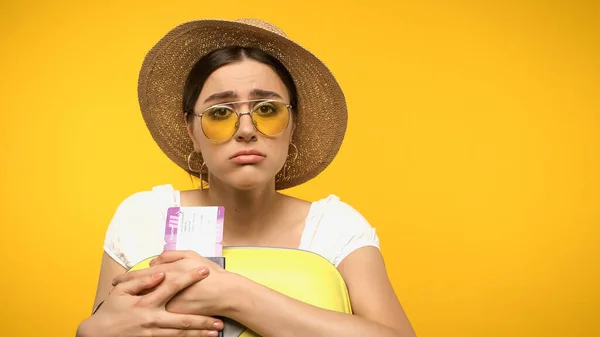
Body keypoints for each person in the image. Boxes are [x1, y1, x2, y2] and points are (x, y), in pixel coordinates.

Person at [76, 18, 417, 337]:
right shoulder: (143, 217)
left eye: (267, 109)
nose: (247, 130)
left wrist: (232, 293)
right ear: (190, 131)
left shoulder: (334, 227)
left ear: (293, 124)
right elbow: (99, 328)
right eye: (220, 112)